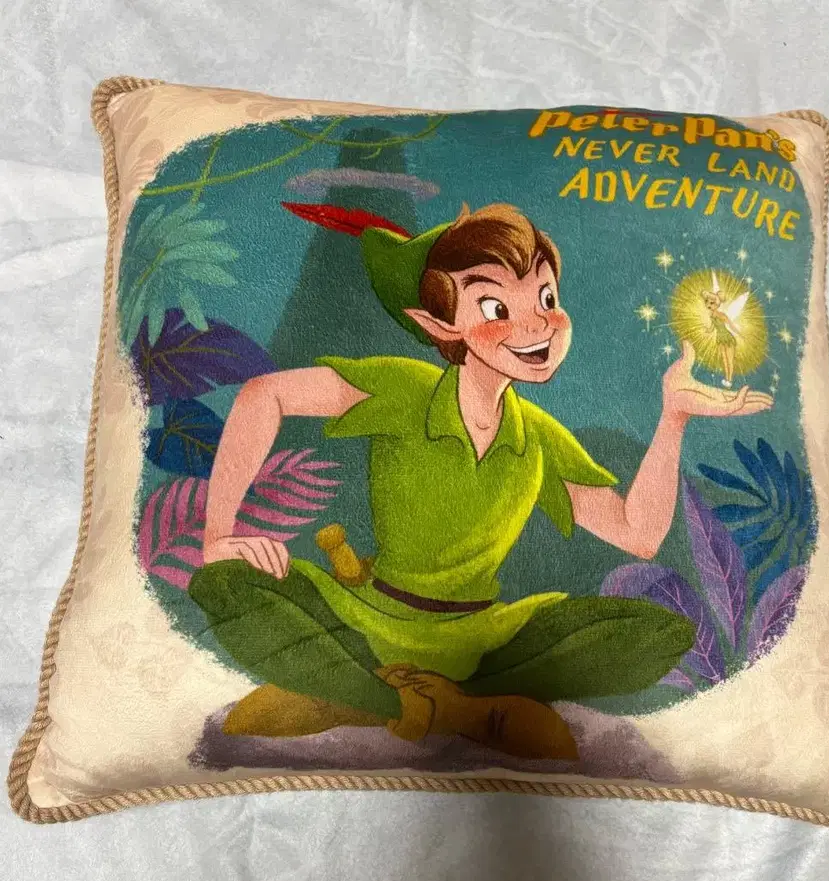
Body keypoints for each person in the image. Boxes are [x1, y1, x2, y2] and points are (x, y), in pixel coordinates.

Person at [188, 203, 773, 760]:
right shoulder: (406, 389)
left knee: (650, 633)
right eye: (496, 307)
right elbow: (265, 394)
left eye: (546, 297)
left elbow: (637, 534)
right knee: (231, 585)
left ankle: (368, 694)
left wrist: (673, 418)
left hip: (480, 637)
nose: (537, 325)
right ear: (439, 324)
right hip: (368, 617)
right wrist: (218, 536)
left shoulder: (538, 438)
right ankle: (416, 702)